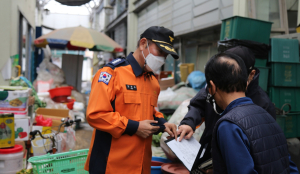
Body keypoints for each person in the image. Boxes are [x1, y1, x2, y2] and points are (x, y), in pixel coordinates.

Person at [84, 26, 178, 174]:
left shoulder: (153, 81)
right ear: (143, 44)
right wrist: (134, 127)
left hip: (141, 166)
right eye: (160, 52)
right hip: (111, 166)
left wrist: (163, 123)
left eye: (165, 55)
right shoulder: (111, 74)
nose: (162, 59)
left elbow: (150, 111)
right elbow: (95, 114)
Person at [178, 46, 276, 167]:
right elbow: (198, 104)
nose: (229, 77)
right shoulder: (214, 87)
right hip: (208, 156)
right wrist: (189, 123)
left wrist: (221, 168)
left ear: (251, 74)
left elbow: (260, 152)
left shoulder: (262, 105)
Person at [202, 53, 295, 173]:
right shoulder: (266, 114)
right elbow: (289, 165)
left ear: (212, 88)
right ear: (247, 83)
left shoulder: (228, 125)